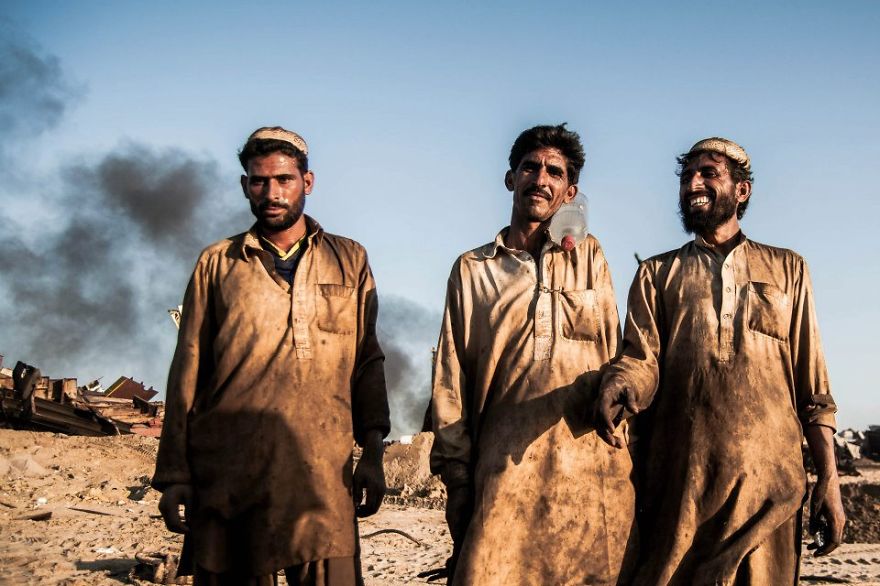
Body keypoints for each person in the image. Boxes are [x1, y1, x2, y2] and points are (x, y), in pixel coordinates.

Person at [596, 137, 845, 584]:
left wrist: (829, 479)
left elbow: (814, 390)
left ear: (742, 190)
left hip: (771, 493)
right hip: (681, 492)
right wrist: (622, 382)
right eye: (687, 175)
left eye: (708, 173)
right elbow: (641, 360)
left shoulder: (788, 269)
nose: (693, 183)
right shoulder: (656, 274)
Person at [152, 126, 390, 586]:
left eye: (284, 179)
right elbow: (187, 372)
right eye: (259, 181)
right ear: (245, 186)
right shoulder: (218, 263)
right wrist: (175, 474)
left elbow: (368, 362)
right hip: (230, 476)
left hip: (322, 479)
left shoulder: (349, 259)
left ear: (308, 181)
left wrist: (374, 453)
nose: (272, 192)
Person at [428, 124, 636, 585]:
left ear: (569, 190)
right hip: (502, 474)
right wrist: (458, 477)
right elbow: (450, 379)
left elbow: (614, 350)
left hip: (590, 472)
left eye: (554, 172)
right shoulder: (473, 269)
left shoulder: (590, 257)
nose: (541, 179)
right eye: (531, 167)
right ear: (511, 178)